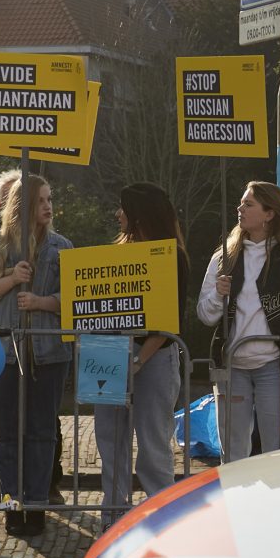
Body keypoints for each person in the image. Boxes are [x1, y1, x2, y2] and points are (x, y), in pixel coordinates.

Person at [0, 171, 72, 536]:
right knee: (6, 432)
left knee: (42, 431)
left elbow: (76, 298)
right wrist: (11, 279)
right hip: (3, 353)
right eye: (41, 200)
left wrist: (43, 302)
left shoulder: (62, 247)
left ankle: (37, 504)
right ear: (24, 205)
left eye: (49, 199)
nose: (48, 206)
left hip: (48, 352)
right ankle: (13, 503)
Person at [197, 181, 280, 464]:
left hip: (272, 367)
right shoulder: (223, 257)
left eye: (248, 204)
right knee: (233, 450)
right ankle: (236, 502)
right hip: (232, 367)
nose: (239, 209)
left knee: (275, 448)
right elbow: (205, 315)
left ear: (269, 214)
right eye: (241, 203)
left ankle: (274, 504)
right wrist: (218, 293)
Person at [93, 182, 193, 517]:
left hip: (154, 359)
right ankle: (114, 518)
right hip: (108, 353)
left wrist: (138, 359)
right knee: (110, 443)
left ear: (139, 216)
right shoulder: (113, 256)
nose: (118, 214)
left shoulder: (173, 258)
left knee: (152, 445)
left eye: (123, 208)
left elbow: (168, 322)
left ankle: (161, 520)